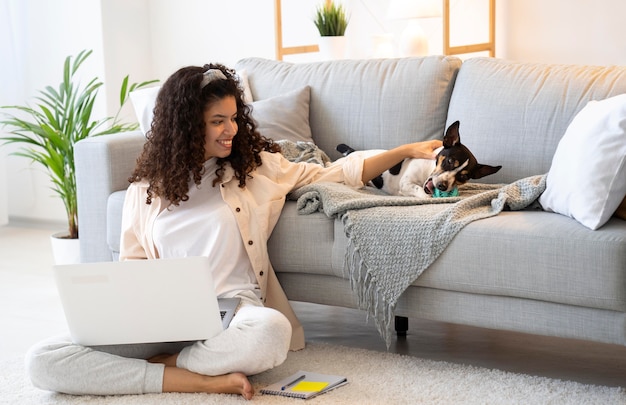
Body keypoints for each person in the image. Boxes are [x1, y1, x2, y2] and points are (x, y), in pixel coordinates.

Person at [25, 63, 441, 400]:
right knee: (43, 359)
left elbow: (337, 171)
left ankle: (169, 365)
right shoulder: (143, 192)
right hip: (166, 318)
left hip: (234, 315)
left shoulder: (256, 169)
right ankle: (196, 377)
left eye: (234, 118)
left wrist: (405, 151)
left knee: (272, 333)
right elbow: (135, 271)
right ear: (188, 127)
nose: (232, 130)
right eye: (217, 121)